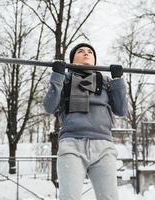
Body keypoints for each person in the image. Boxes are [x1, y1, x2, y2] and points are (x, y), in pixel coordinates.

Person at [43, 43, 128, 200]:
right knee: (69, 197)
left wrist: (118, 80)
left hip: (103, 146)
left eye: (90, 52)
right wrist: (57, 76)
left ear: (95, 60)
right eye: (80, 51)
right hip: (72, 146)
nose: (86, 53)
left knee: (109, 198)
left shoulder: (105, 81)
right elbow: (49, 106)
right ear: (72, 59)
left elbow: (121, 110)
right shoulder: (65, 79)